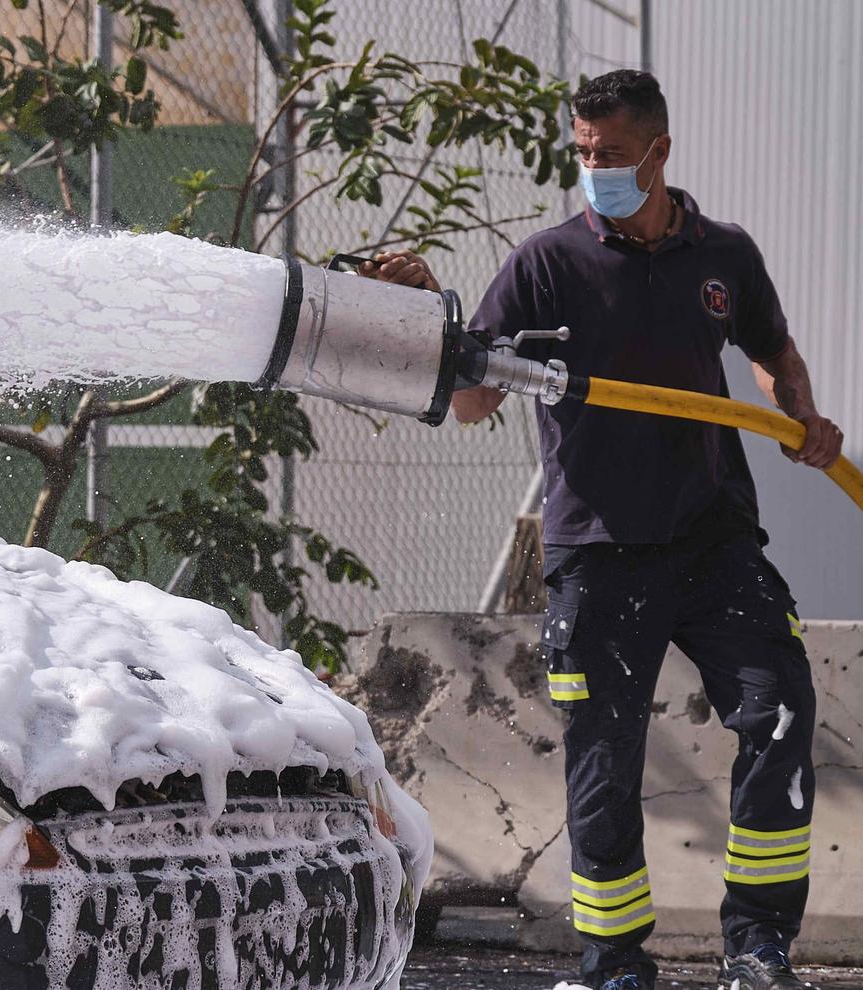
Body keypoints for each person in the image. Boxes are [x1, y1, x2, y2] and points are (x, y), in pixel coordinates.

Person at [361, 70, 843, 990]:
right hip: (598, 551)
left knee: (780, 708)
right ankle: (616, 961)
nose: (595, 170)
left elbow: (773, 351)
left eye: (613, 155)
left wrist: (802, 418)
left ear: (659, 152)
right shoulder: (547, 264)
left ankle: (757, 948)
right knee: (603, 754)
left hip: (714, 539)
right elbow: (470, 400)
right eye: (583, 154)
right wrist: (432, 313)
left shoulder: (723, 256)